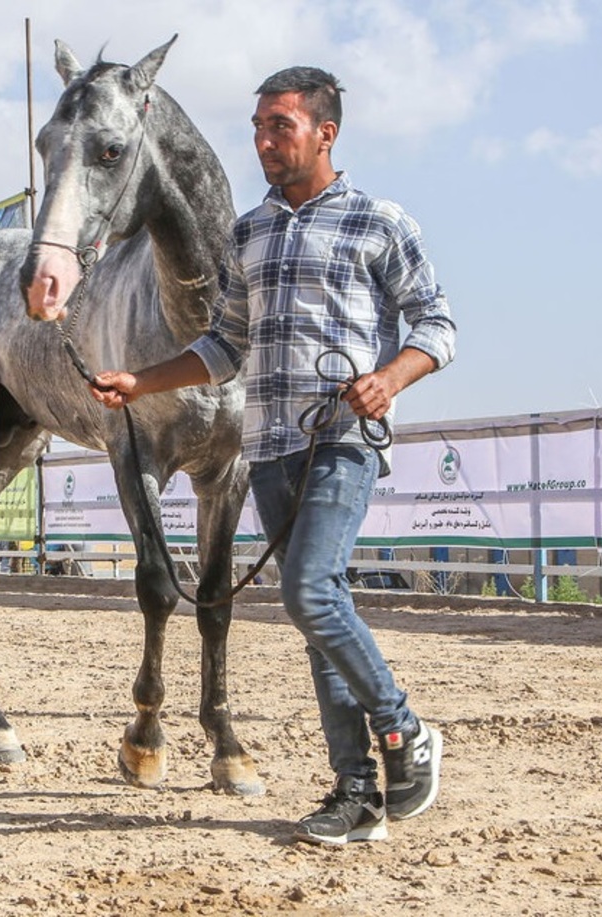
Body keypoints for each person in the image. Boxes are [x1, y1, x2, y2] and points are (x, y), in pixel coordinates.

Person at [91, 66, 455, 846]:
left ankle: (403, 728)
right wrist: (140, 380)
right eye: (257, 126)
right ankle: (357, 793)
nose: (262, 141)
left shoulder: (379, 222)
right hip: (270, 449)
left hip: (343, 440)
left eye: (278, 127)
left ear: (326, 133)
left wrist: (390, 378)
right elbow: (224, 345)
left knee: (310, 592)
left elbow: (437, 325)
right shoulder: (248, 234)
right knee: (320, 619)